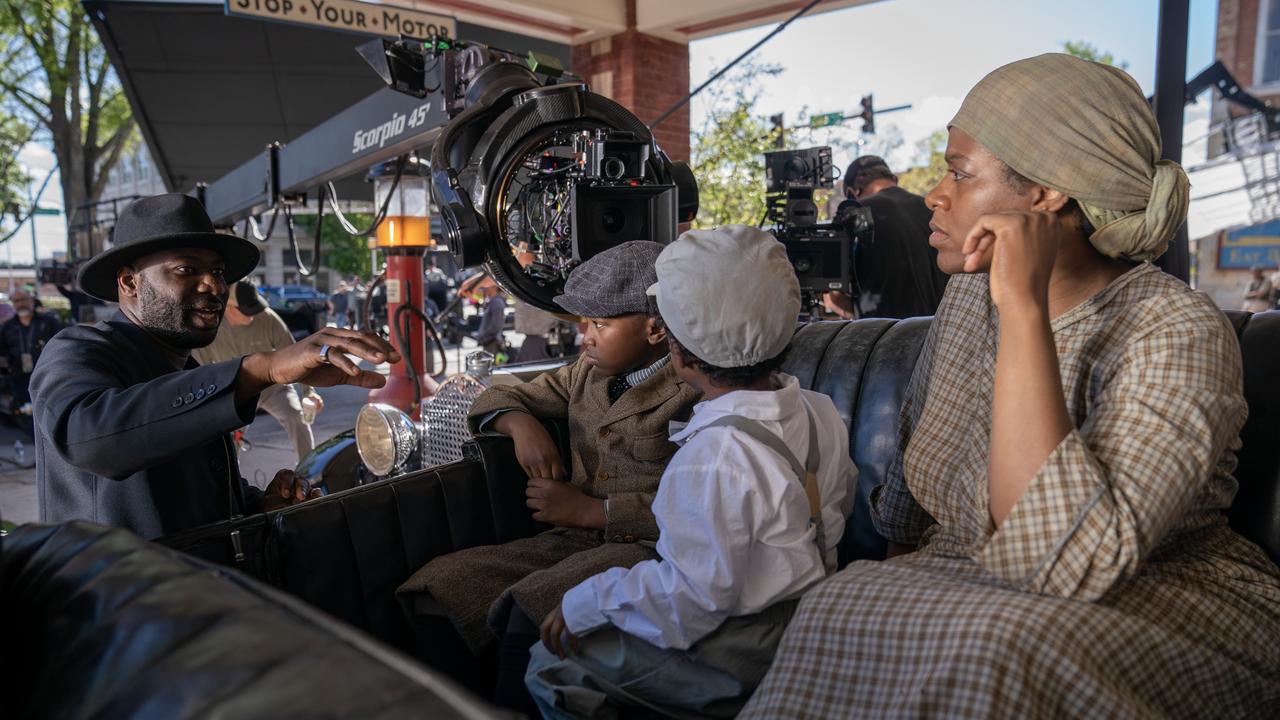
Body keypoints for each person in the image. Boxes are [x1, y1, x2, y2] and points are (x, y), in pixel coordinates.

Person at [741, 54, 1280, 718]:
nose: (935, 194)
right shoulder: (970, 297)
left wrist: (1025, 310)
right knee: (835, 603)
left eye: (960, 173)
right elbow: (915, 488)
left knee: (991, 646)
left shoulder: (1175, 327)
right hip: (977, 578)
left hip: (1161, 595)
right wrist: (898, 575)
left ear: (1048, 193)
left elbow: (1064, 566)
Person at [523, 226, 856, 719]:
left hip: (744, 653)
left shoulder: (714, 454)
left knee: (545, 662)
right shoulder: (817, 410)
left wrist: (585, 603)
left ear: (678, 350)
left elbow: (692, 602)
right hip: (808, 618)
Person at [396, 240, 701, 715]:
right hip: (571, 542)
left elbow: (702, 510)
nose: (587, 336)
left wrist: (592, 511)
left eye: (601, 324)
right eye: (585, 323)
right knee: (440, 587)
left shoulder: (692, 391)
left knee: (530, 605)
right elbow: (494, 397)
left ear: (656, 329)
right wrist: (521, 425)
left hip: (647, 551)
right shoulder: (586, 375)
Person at [30, 194, 399, 540]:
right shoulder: (77, 350)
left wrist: (259, 505)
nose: (214, 286)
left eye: (219, 272)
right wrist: (260, 369)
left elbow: (199, 497)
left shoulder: (187, 370)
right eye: (186, 269)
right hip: (114, 604)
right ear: (130, 282)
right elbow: (90, 438)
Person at [193, 281, 324, 462]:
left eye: (256, 307)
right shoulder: (211, 329)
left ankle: (309, 472)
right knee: (226, 443)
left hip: (272, 386)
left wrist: (309, 392)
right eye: (247, 311)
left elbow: (296, 356)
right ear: (228, 308)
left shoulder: (267, 318)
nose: (254, 315)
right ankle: (232, 484)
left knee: (297, 418)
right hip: (235, 392)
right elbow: (200, 371)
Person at [825, 155, 949, 320]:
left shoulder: (854, 212)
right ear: (894, 180)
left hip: (887, 336)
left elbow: (836, 297)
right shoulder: (933, 209)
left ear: (851, 193)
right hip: (937, 330)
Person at [0, 288, 63, 433]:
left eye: (24, 300)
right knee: (27, 413)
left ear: (32, 301)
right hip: (20, 377)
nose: (21, 304)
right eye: (17, 301)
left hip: (48, 375)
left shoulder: (49, 322)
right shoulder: (7, 327)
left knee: (49, 410)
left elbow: (62, 344)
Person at [474, 277, 508, 356]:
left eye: (486, 285)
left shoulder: (497, 302)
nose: (483, 287)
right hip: (489, 342)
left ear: (494, 286)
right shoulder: (492, 301)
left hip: (492, 343)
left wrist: (484, 335)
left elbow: (496, 326)